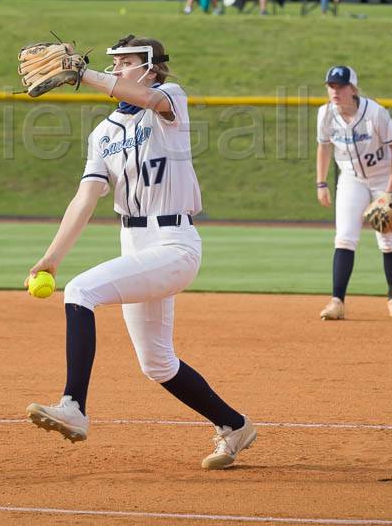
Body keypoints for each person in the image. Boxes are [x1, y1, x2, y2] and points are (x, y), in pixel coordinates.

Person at [24, 34, 257, 470]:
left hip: (174, 244)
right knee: (157, 363)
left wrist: (83, 73)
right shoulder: (103, 133)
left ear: (151, 67)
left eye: (125, 62)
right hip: (135, 244)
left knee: (81, 292)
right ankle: (235, 425)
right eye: (113, 63)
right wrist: (50, 257)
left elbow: (147, 98)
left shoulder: (170, 99)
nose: (116, 69)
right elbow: (86, 197)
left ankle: (73, 406)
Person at [315, 65, 392, 321]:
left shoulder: (375, 113)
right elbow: (324, 148)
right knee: (344, 238)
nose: (335, 91)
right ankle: (337, 302)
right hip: (352, 179)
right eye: (331, 86)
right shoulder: (325, 114)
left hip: (384, 177)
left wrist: (390, 192)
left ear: (353, 89)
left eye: (341, 86)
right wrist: (321, 183)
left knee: (389, 240)